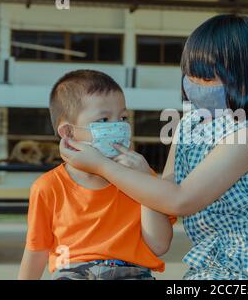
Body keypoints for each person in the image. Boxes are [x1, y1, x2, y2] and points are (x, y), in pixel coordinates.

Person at [60, 15, 248, 280]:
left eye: (206, 76)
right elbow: (163, 205)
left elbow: (181, 201)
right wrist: (142, 174)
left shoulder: (247, 137)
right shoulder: (186, 126)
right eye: (190, 73)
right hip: (219, 259)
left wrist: (103, 167)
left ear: (242, 77)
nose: (194, 83)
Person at [18, 70, 175, 280]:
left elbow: (159, 245)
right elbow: (36, 252)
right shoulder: (47, 187)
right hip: (73, 273)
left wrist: (144, 180)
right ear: (69, 132)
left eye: (123, 117)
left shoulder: (140, 179)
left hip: (131, 273)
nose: (118, 126)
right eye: (103, 120)